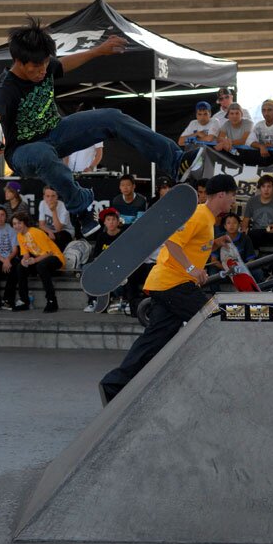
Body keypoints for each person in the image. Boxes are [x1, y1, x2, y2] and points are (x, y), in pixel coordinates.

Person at [0, 16, 203, 239]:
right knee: (42, 153)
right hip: (23, 152)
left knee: (111, 118)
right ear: (19, 61)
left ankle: (175, 161)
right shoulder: (7, 87)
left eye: (45, 64)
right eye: (36, 67)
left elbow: (63, 63)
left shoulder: (44, 65)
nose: (43, 71)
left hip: (56, 132)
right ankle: (82, 210)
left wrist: (98, 51)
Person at [99, 173, 237, 405]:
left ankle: (113, 385)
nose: (233, 201)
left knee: (154, 339)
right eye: (232, 196)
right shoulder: (199, 214)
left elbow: (194, 244)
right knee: (214, 320)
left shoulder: (208, 220)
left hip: (167, 284)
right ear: (222, 194)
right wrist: (192, 269)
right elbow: (172, 242)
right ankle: (217, 383)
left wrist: (216, 243)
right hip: (175, 284)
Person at [11, 211, 65, 313]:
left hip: (55, 258)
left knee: (41, 266)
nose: (17, 226)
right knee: (20, 267)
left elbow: (49, 253)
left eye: (19, 223)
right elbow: (25, 253)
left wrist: (34, 260)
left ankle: (52, 301)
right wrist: (24, 260)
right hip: (41, 260)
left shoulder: (36, 232)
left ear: (25, 223)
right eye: (14, 224)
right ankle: (24, 301)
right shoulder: (19, 235)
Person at [241, 174, 273, 273]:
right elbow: (245, 221)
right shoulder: (252, 201)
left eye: (269, 186)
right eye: (263, 186)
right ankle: (253, 268)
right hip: (257, 232)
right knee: (245, 237)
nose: (266, 189)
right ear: (260, 188)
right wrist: (244, 229)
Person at [83, 207, 123, 313]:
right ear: (104, 222)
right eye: (108, 220)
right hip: (103, 265)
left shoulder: (123, 235)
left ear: (118, 221)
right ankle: (93, 301)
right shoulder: (101, 236)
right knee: (86, 268)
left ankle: (115, 299)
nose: (111, 222)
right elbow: (96, 255)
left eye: (114, 219)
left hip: (118, 267)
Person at [208, 212, 264, 285]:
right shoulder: (219, 238)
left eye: (234, 223)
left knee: (257, 272)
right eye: (228, 223)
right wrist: (228, 270)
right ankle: (214, 294)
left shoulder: (245, 239)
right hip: (224, 270)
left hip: (241, 269)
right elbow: (214, 261)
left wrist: (241, 269)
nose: (231, 225)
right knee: (212, 273)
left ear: (239, 225)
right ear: (225, 226)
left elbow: (251, 260)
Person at [38, 185, 75, 251]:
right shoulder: (42, 204)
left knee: (59, 236)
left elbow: (58, 229)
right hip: (50, 231)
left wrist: (53, 210)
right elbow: (41, 225)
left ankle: (59, 256)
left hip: (65, 231)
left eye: (53, 196)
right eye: (47, 196)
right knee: (38, 234)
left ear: (57, 196)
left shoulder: (63, 206)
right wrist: (49, 232)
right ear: (44, 197)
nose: (50, 199)